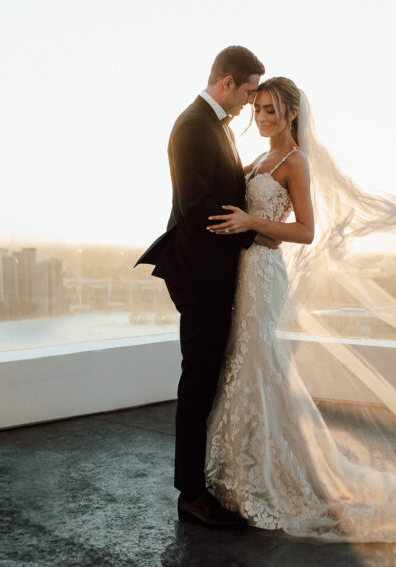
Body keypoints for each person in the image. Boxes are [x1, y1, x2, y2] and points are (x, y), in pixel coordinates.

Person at [200, 76, 396, 547]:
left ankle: (274, 475)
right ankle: (243, 469)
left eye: (271, 111)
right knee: (246, 366)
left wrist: (250, 221)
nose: (261, 118)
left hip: (264, 274)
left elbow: (305, 230)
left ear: (292, 114)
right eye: (257, 109)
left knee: (261, 368)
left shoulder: (294, 162)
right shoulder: (258, 157)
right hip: (244, 269)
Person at [135, 46, 276, 528]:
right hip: (199, 275)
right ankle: (190, 494)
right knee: (197, 381)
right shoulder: (194, 125)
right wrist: (259, 233)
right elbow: (200, 207)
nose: (250, 102)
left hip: (213, 272)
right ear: (227, 84)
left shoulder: (211, 124)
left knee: (207, 377)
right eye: (249, 91)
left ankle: (203, 481)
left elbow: (222, 189)